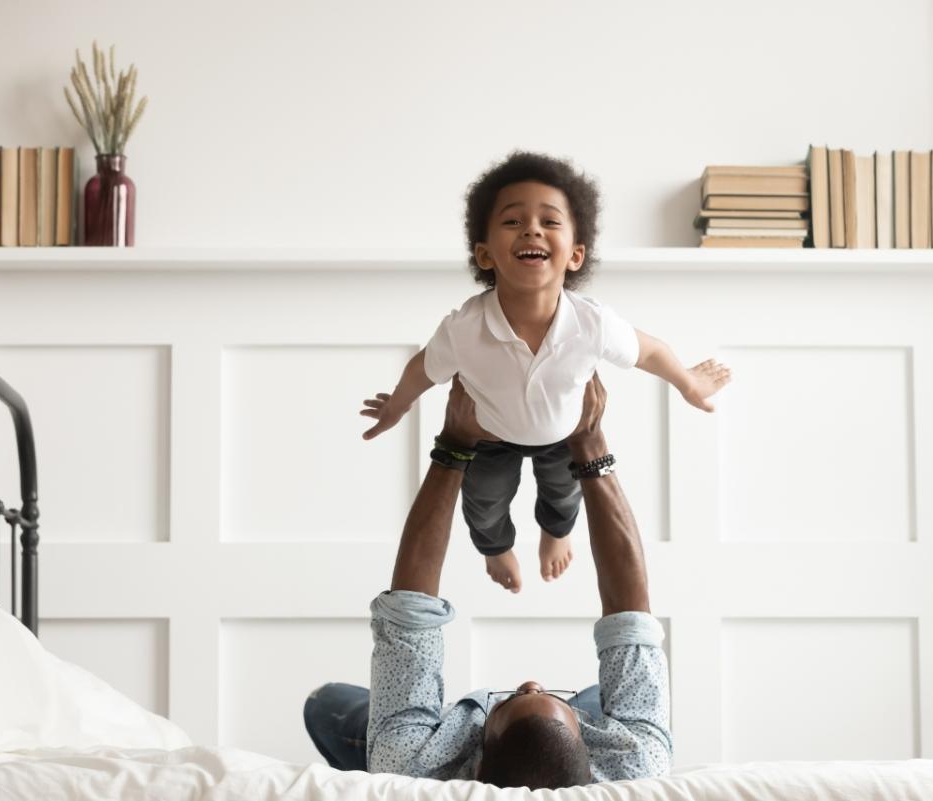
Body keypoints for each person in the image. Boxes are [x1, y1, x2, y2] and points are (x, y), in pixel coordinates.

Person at [360, 151, 730, 592]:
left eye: (549, 222)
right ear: (484, 253)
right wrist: (397, 406)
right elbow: (423, 368)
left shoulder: (591, 322)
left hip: (563, 437)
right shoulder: (465, 327)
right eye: (513, 222)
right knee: (483, 503)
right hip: (490, 439)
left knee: (563, 495)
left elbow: (648, 351)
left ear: (575, 255)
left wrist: (687, 382)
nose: (532, 228)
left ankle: (555, 534)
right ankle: (496, 548)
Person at [307, 374, 671, 789]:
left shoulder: (413, 766)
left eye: (514, 697)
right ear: (591, 763)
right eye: (542, 694)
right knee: (602, 693)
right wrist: (591, 446)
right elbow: (630, 619)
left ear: (476, 770)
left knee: (323, 704)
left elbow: (410, 612)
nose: (528, 682)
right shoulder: (635, 762)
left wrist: (453, 446)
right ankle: (559, 709)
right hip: (576, 739)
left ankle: (393, 739)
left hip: (431, 746)